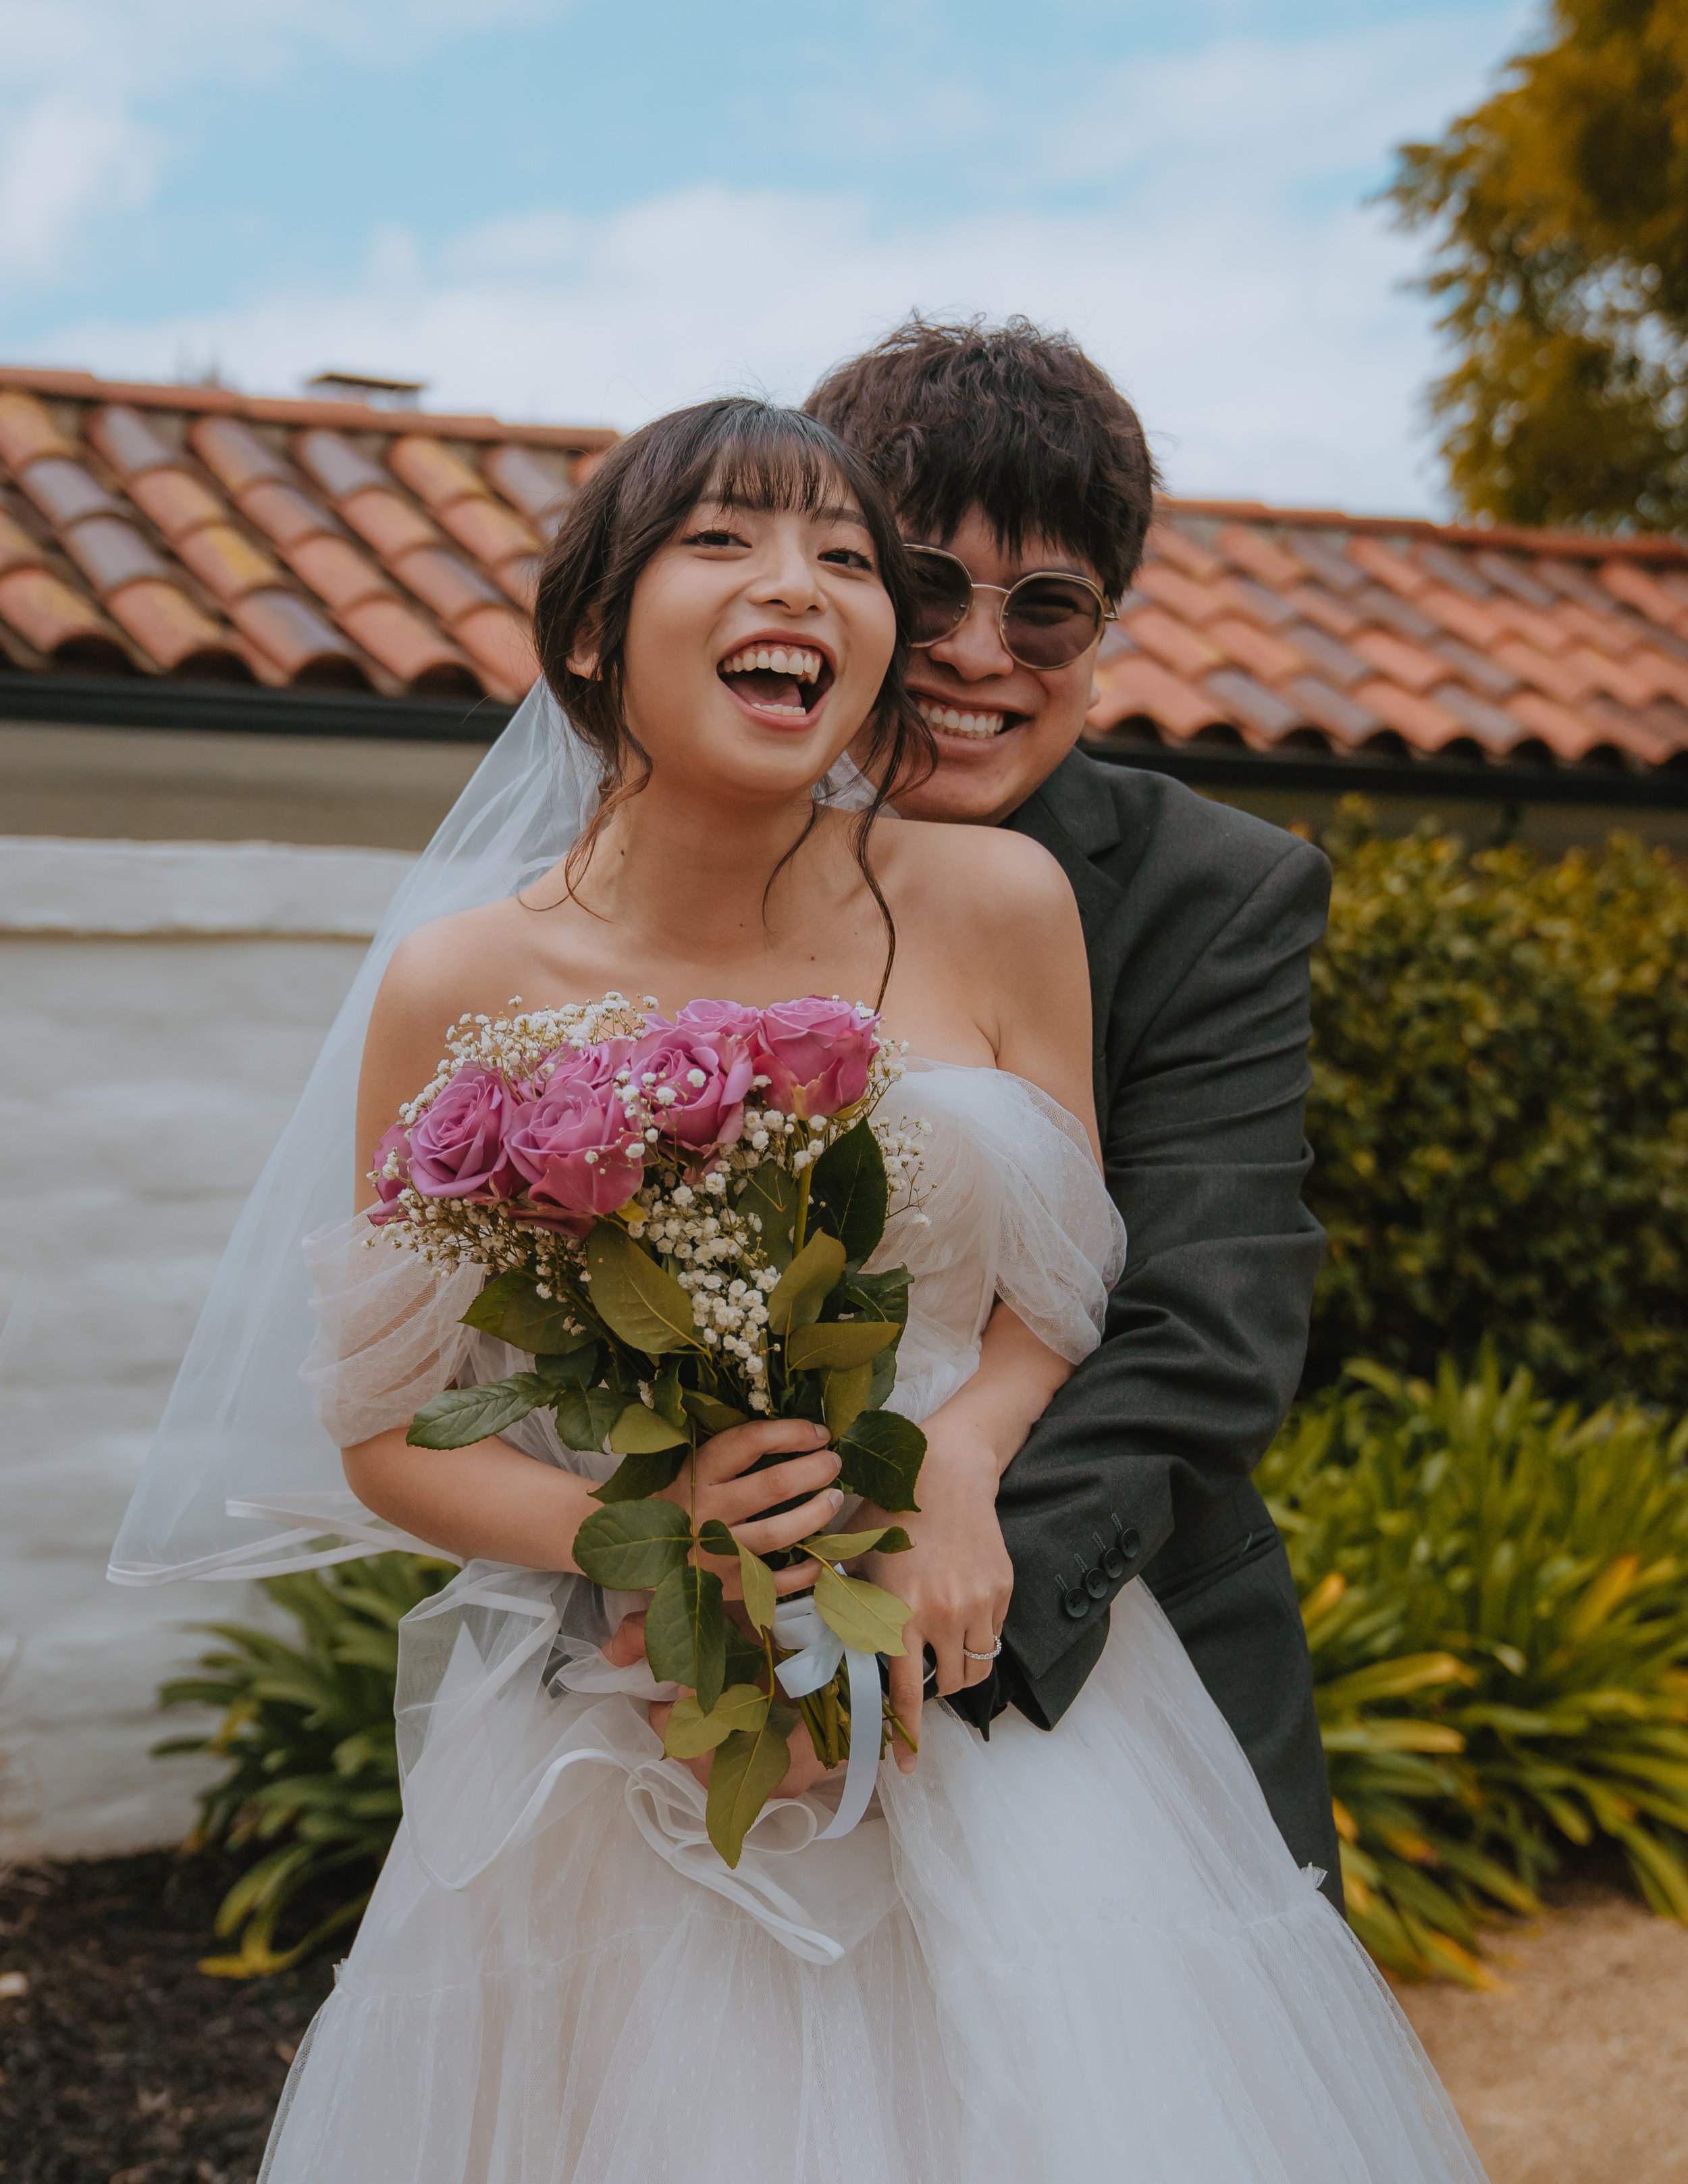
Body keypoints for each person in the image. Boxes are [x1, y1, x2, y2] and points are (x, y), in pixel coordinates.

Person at [167, 392, 1486, 2183]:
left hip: (1012, 1727)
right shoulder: (456, 981)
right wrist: (651, 1537)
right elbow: (389, 1434)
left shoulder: (998, 898)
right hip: (621, 1734)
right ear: (587, 630)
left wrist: (961, 1453)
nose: (801, 585)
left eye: (839, 557)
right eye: (723, 541)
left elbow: (1075, 1281)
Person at [806, 319, 1343, 1900]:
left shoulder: (1214, 894)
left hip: (1099, 1663)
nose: (982, 655)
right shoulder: (700, 866)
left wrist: (881, 1628)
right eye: (924, 590)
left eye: (1048, 609)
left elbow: (1205, 1322)